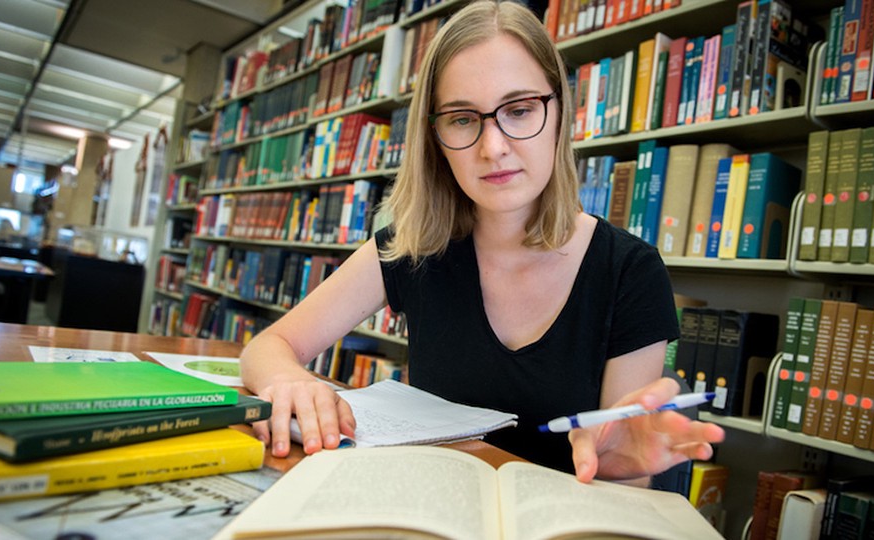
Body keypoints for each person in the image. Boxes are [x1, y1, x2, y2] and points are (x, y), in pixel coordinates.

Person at [240, 0, 724, 485]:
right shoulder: (411, 248)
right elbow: (270, 345)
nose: (493, 147)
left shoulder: (629, 271)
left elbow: (626, 481)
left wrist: (618, 469)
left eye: (518, 110)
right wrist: (290, 380)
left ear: (559, 112)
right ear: (435, 135)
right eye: (462, 119)